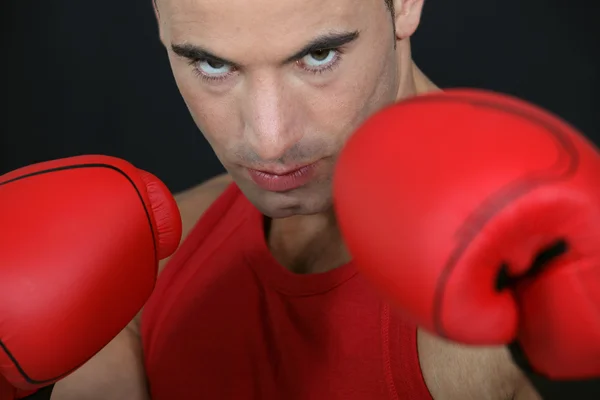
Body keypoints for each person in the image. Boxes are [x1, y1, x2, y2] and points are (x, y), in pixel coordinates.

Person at [8, 0, 597, 399]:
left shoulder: (515, 282)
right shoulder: (147, 260)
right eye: (212, 65)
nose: (270, 139)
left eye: (319, 56)